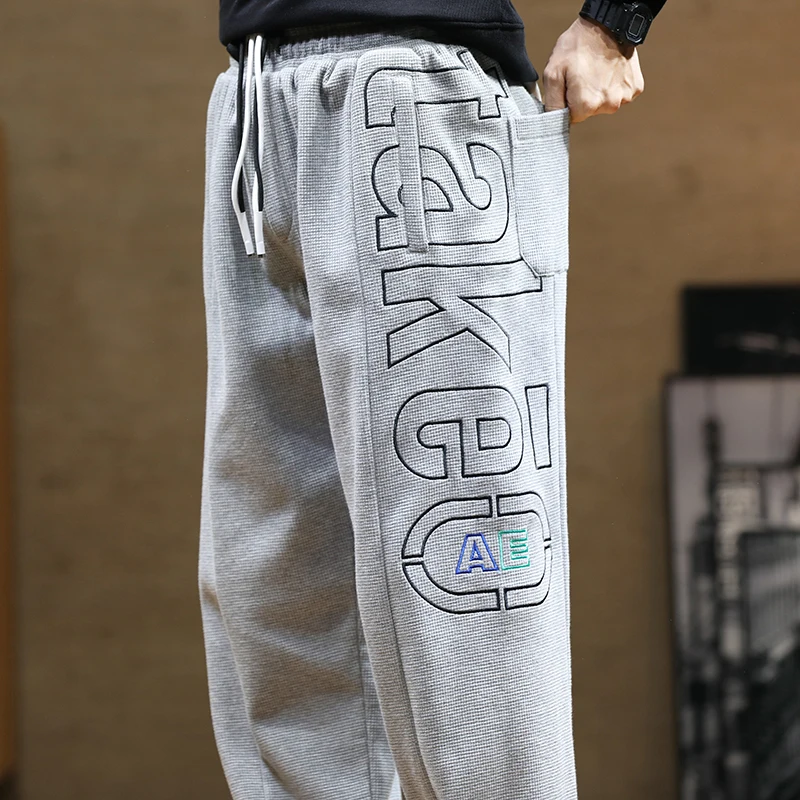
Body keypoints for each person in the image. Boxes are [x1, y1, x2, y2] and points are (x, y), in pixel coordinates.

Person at [199, 2, 666, 799]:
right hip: (254, 101)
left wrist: (615, 24)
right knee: (275, 592)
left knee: (468, 604)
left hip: (417, 94)